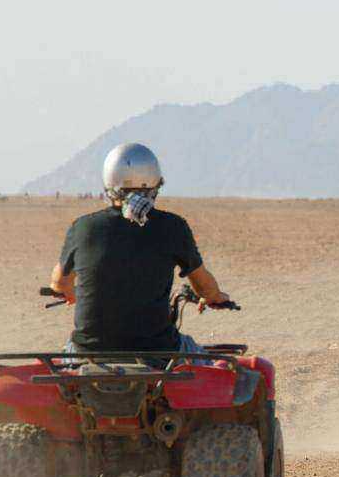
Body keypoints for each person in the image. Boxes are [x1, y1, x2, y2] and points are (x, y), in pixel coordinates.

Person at [49, 143, 231, 353]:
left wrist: (71, 292)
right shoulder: (173, 226)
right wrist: (214, 297)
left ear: (108, 184)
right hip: (159, 350)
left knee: (64, 365)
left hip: (88, 351)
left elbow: (59, 283)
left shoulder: (83, 227)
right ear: (155, 184)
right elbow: (204, 287)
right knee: (207, 362)